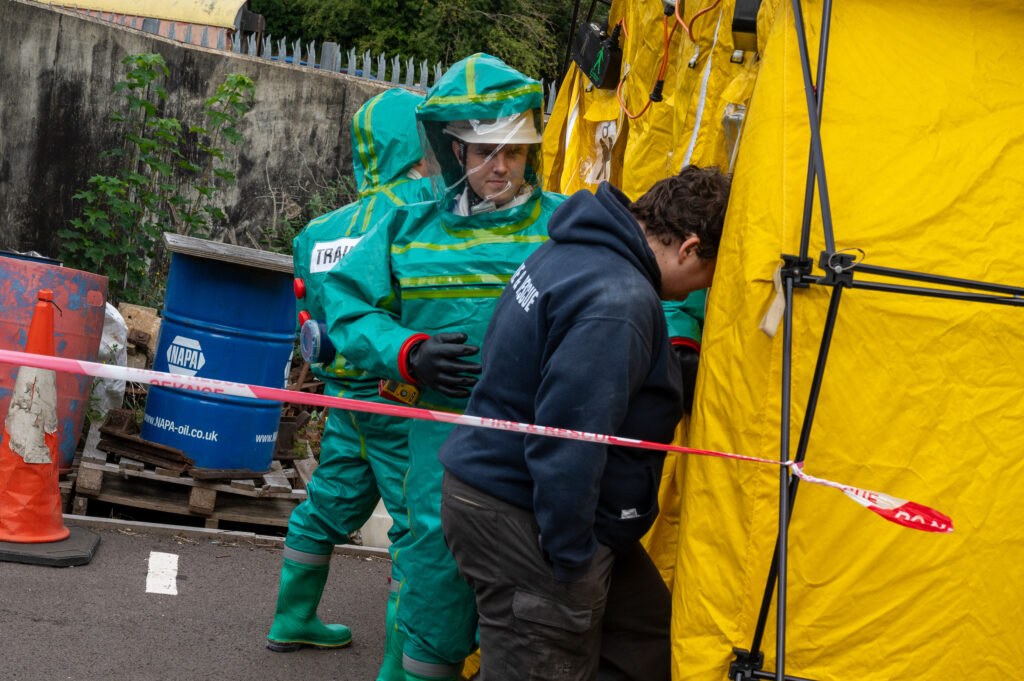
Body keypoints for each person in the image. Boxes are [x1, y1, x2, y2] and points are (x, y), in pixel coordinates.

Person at [322, 53, 567, 681]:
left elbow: (653, 267)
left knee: (533, 609)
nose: (500, 165)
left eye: (513, 149)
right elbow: (344, 303)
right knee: (433, 591)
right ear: (455, 148)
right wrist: (407, 351)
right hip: (439, 450)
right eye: (484, 149)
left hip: (538, 453)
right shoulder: (406, 227)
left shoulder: (568, 225)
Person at [438, 166, 731, 681]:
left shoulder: (574, 250)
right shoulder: (620, 300)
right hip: (533, 515)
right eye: (710, 276)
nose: (696, 294)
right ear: (688, 248)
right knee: (544, 660)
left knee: (647, 641)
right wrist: (570, 562)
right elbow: (568, 444)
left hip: (530, 502)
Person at [267, 88, 434, 681]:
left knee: (327, 504)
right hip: (406, 400)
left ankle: (292, 618)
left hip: (344, 401)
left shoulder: (318, 232)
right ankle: (404, 664)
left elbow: (309, 324)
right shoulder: (426, 208)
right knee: (418, 533)